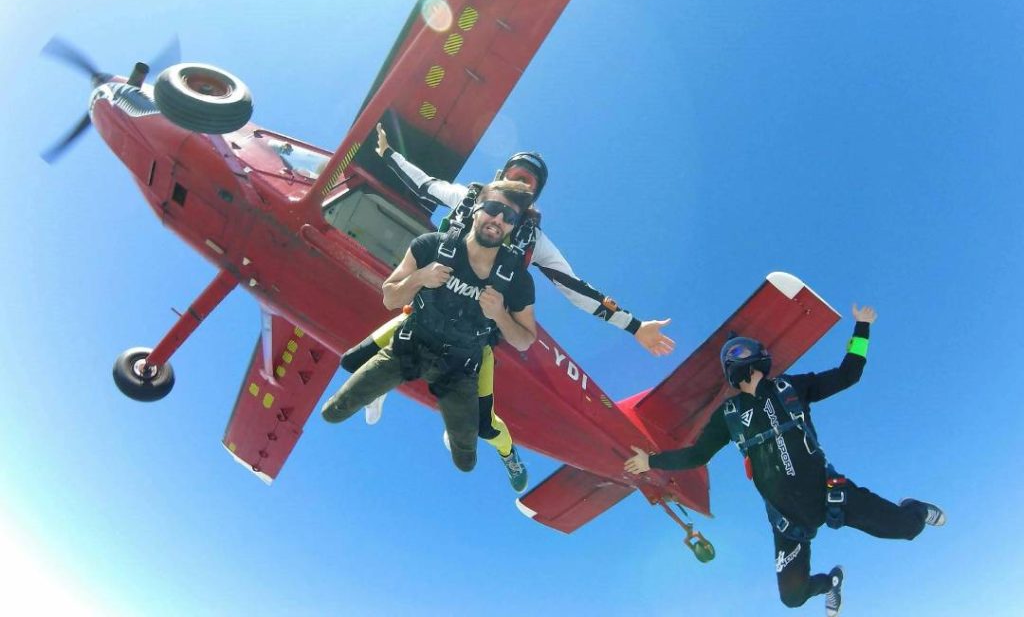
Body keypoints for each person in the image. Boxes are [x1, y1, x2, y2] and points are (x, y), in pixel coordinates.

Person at [342, 123, 676, 493]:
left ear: (532, 201)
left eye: (529, 186)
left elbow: (576, 288)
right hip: (428, 312)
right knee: (360, 359)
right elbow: (425, 183)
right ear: (498, 179)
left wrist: (635, 326)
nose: (517, 193)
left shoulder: (536, 242)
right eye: (515, 178)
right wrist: (389, 154)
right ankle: (378, 388)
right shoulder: (468, 200)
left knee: (483, 423)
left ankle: (506, 453)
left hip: (475, 335)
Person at [624, 305, 945, 616]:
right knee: (792, 597)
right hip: (789, 522)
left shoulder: (791, 386)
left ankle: (914, 508)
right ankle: (831, 583)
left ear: (757, 356)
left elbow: (848, 375)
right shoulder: (728, 415)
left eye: (738, 351)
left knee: (906, 529)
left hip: (830, 494)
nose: (733, 358)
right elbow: (697, 455)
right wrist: (651, 461)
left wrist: (862, 327)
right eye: (728, 357)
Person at [322, 180, 537, 475]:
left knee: (466, 459)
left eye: (509, 217)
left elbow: (525, 341)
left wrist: (500, 314)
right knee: (334, 411)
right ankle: (377, 393)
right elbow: (390, 297)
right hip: (410, 346)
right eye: (493, 208)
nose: (498, 219)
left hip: (460, 369)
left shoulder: (517, 281)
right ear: (476, 209)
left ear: (513, 227)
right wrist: (421, 277)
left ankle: (497, 451)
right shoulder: (431, 246)